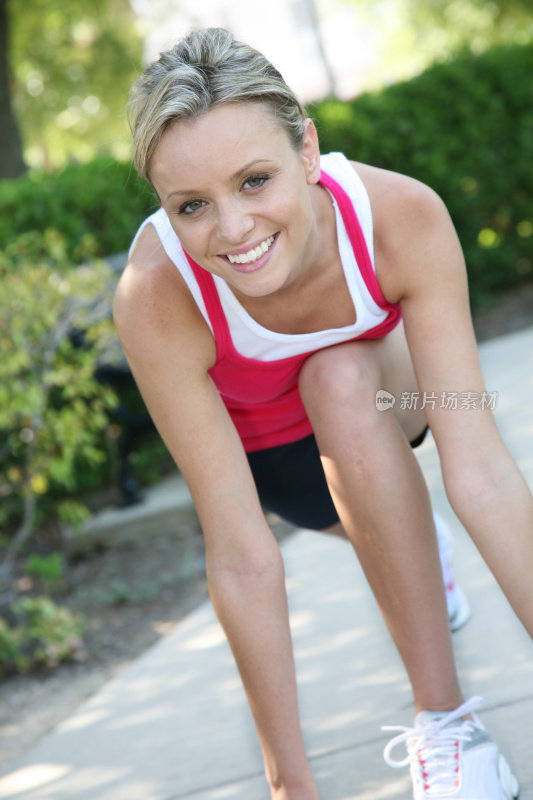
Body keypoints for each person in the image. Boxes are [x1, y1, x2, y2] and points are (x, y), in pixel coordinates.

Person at [114, 27, 532, 800]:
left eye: (254, 180)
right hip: (280, 468)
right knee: (350, 465)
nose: (232, 229)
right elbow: (241, 552)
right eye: (192, 205)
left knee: (339, 376)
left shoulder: (398, 214)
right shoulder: (155, 294)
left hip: (388, 402)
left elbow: (479, 471)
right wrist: (288, 784)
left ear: (306, 149)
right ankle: (412, 547)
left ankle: (445, 728)